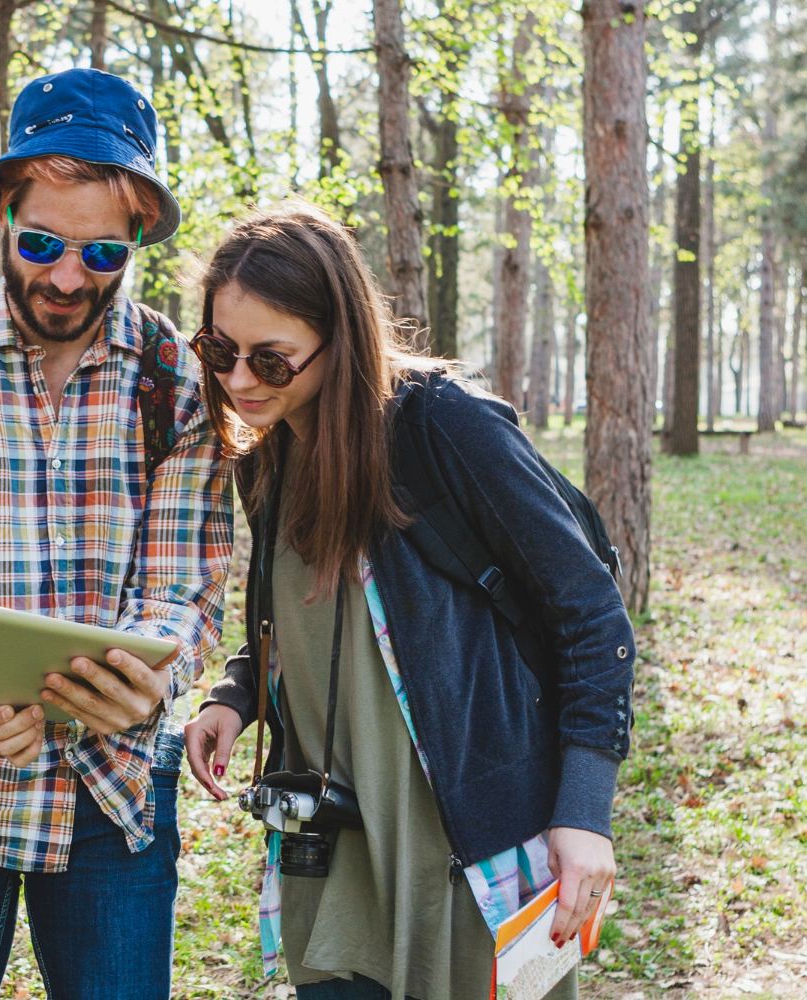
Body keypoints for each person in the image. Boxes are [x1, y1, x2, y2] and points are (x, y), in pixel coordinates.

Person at [182, 204, 634, 1000]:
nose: (240, 381)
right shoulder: (269, 451)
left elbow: (590, 612)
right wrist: (236, 695)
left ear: (339, 339)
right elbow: (307, 612)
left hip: (478, 850)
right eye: (220, 351)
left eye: (273, 360)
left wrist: (586, 810)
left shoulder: (443, 426)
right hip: (335, 853)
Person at [0, 68, 233, 1000]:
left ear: (139, 237)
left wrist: (150, 679)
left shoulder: (178, 382)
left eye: (103, 255)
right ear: (3, 222)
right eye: (42, 244)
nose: (67, 277)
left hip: (114, 788)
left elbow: (187, 587)